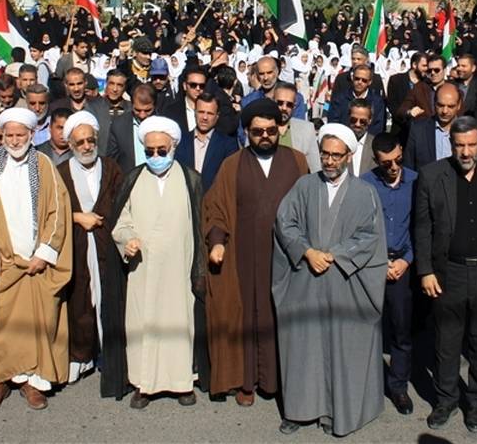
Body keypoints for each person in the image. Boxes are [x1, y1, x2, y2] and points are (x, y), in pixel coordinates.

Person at [273, 123, 388, 437]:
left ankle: (338, 411)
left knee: (342, 349)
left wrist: (335, 254)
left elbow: (370, 237)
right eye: (325, 153)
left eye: (337, 155)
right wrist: (307, 252)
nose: (330, 161)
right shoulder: (304, 186)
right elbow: (286, 223)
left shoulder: (366, 193)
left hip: (345, 284)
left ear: (349, 156)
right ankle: (298, 410)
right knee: (303, 347)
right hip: (306, 283)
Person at [0, 107, 72, 413]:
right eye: (8, 134)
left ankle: (31, 382)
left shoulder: (44, 164)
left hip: (35, 265)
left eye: (20, 134)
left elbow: (58, 212)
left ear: (31, 134)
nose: (14, 140)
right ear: (2, 136)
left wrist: (44, 254)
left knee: (35, 324)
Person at [413, 116, 477, 433]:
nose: (466, 151)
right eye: (460, 145)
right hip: (448, 273)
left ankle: (475, 403)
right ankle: (446, 400)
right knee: (446, 342)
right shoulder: (432, 175)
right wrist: (426, 270)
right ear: (452, 145)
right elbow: (422, 227)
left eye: (472, 145)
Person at [202, 98, 308, 404]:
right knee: (246, 314)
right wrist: (218, 241)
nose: (265, 137)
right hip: (243, 255)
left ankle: (278, 380)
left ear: (280, 129)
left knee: (281, 316)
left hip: (286, 257)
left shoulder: (298, 161)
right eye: (258, 131)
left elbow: (310, 206)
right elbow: (217, 208)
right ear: (247, 131)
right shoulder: (232, 165)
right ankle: (246, 381)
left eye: (271, 131)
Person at [112, 116, 206, 408]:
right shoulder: (134, 178)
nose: (155, 156)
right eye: (149, 151)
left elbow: (201, 224)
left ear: (173, 147)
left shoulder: (191, 179)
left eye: (161, 151)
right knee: (145, 323)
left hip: (179, 268)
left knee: (179, 321)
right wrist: (127, 239)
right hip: (144, 270)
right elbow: (121, 221)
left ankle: (181, 383)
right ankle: (144, 384)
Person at [56, 111, 124, 393]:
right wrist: (77, 217)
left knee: (110, 299)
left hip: (107, 246)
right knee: (80, 301)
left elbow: (122, 205)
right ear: (70, 145)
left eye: (89, 140)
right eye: (79, 142)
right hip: (78, 247)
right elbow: (53, 212)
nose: (86, 146)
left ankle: (111, 357)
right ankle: (81, 358)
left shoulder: (112, 168)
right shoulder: (60, 173)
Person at [360, 132, 417, 415]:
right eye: (387, 164)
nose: (394, 168)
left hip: (402, 265)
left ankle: (398, 387)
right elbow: (358, 230)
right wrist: (378, 261)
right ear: (376, 162)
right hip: (373, 264)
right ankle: (365, 385)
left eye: (397, 160)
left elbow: (422, 227)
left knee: (401, 330)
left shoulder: (416, 181)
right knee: (367, 328)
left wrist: (407, 260)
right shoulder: (364, 185)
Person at [175, 92, 238, 191]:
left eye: (210, 113)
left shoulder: (228, 145)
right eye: (201, 112)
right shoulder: (180, 142)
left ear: (217, 116)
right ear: (195, 113)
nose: (204, 117)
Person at [404, 82, 461, 172]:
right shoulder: (418, 130)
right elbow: (408, 167)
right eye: (440, 105)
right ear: (434, 103)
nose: (445, 111)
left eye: (450, 106)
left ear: (459, 105)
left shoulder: (467, 131)